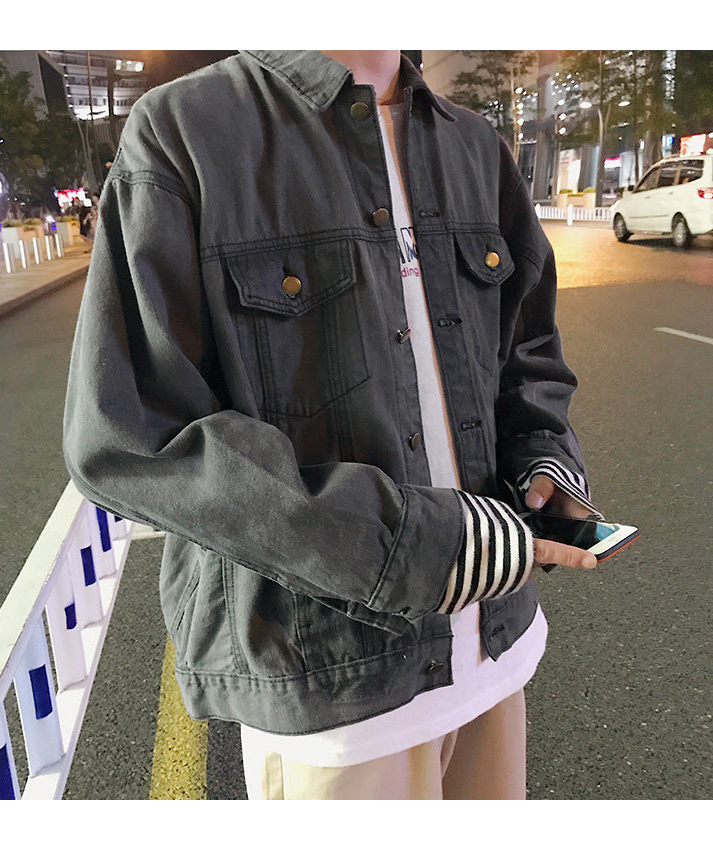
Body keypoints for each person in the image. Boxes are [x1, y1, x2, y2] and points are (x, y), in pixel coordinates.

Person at [62, 50, 603, 800]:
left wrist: (544, 456)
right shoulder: (187, 131)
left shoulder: (475, 144)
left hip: (497, 654)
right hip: (331, 689)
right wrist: (416, 545)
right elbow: (131, 435)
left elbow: (526, 350)